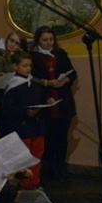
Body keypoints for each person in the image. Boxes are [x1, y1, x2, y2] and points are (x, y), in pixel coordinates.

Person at [30, 25, 77, 181]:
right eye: (45, 40)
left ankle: (60, 165)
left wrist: (65, 80)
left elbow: (72, 72)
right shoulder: (33, 57)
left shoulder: (61, 54)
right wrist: (46, 87)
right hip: (46, 101)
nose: (48, 43)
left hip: (63, 101)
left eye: (51, 40)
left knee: (62, 136)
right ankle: (49, 167)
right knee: (48, 138)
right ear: (38, 40)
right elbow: (31, 80)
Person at [1, 51, 47, 190]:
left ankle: (34, 183)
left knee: (37, 158)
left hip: (37, 127)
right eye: (24, 65)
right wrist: (26, 112)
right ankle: (24, 186)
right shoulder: (13, 85)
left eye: (29, 66)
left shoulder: (34, 82)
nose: (28, 68)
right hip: (22, 128)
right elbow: (8, 109)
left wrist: (47, 101)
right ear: (15, 66)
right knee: (24, 159)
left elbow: (40, 99)